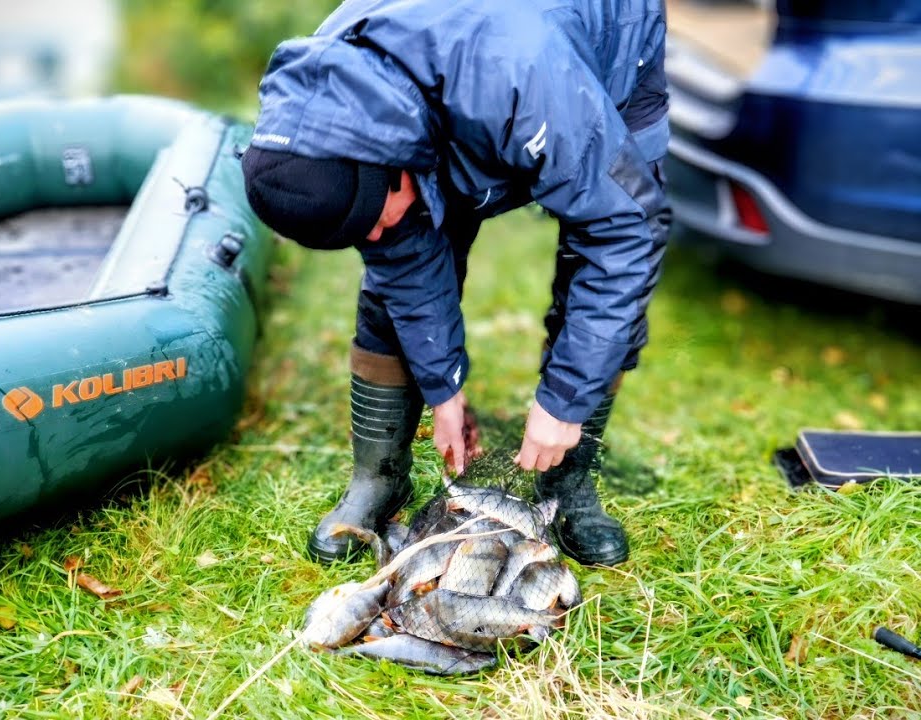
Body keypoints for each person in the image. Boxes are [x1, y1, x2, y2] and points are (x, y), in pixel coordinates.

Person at [241, 0, 672, 567]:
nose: (376, 235)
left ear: (391, 160)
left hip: (595, 51)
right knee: (395, 261)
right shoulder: (339, 105)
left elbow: (623, 232)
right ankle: (379, 477)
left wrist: (565, 403)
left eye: (374, 216)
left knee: (602, 257)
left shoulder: (520, 74)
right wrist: (443, 389)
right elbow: (401, 258)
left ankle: (567, 482)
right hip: (461, 90)